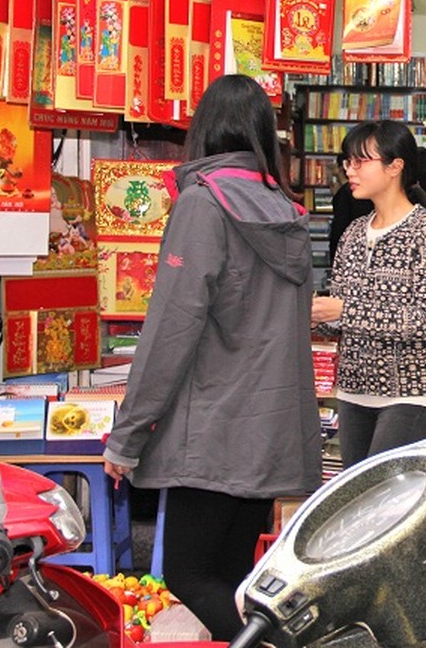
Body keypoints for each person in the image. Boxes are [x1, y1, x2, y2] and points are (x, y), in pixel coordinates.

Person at [102, 75, 321, 640]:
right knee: (230, 575)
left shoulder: (204, 204)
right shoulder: (283, 209)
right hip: (268, 428)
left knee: (188, 572)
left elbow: (170, 332)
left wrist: (126, 437)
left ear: (204, 130)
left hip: (214, 430)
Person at [311, 121, 426, 468]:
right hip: (353, 389)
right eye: (348, 162)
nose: (350, 170)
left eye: (360, 162)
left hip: (409, 390)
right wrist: (309, 312)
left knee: (384, 497)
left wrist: (342, 310)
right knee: (357, 499)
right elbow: (336, 322)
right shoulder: (354, 233)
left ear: (394, 167)